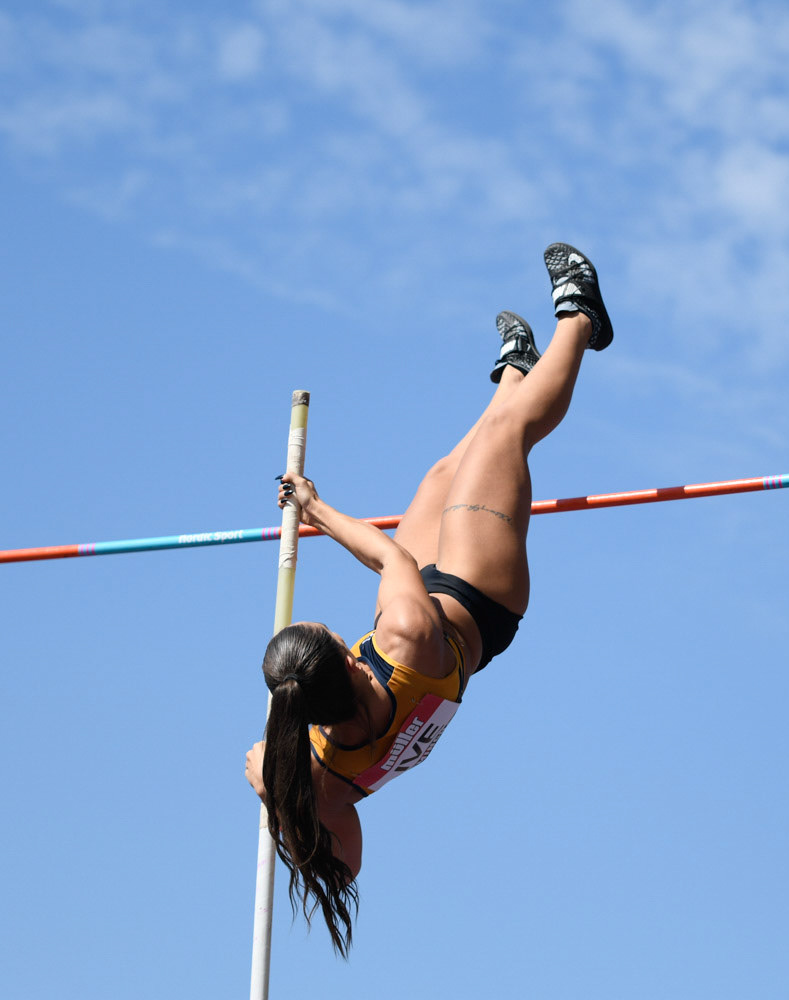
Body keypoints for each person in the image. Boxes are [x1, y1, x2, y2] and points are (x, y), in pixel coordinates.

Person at [244, 243, 613, 955]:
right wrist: (317, 510)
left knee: (446, 469)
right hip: (476, 598)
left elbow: (343, 860)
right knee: (507, 437)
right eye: (323, 634)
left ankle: (515, 369)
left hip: (437, 611)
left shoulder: (322, 776)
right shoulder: (401, 633)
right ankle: (582, 315)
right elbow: (390, 555)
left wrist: (279, 809)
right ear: (345, 663)